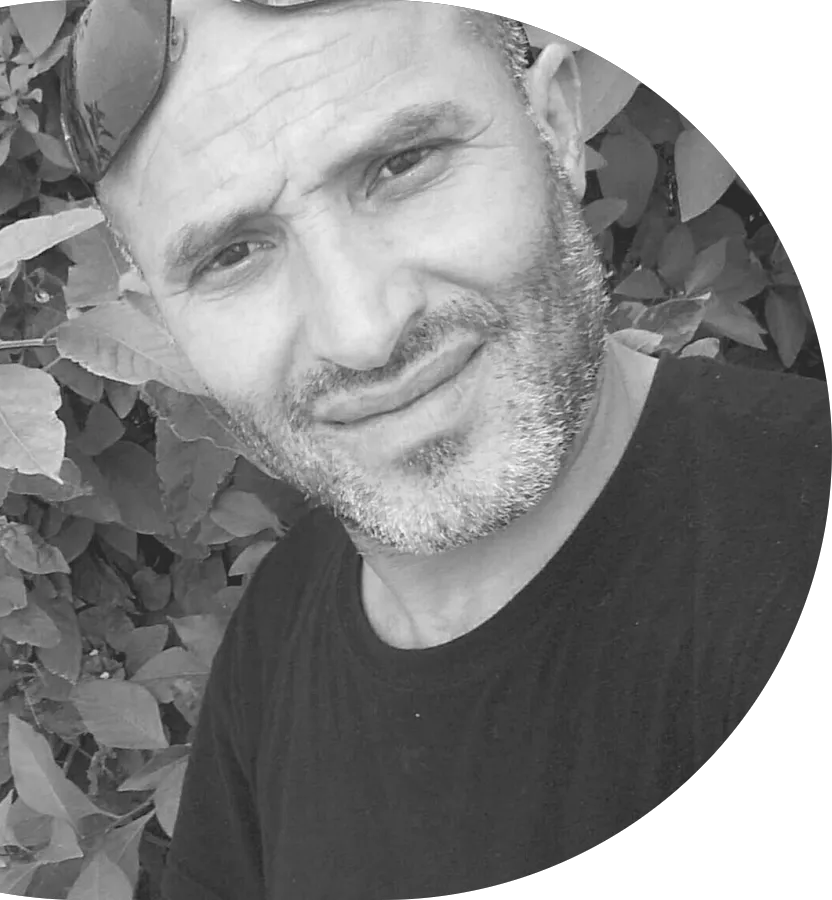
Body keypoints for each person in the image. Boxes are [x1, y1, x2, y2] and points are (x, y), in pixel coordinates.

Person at [60, 1, 830, 897]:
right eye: (231, 255)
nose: (363, 331)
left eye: (404, 164)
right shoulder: (278, 629)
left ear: (555, 125)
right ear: (160, 325)